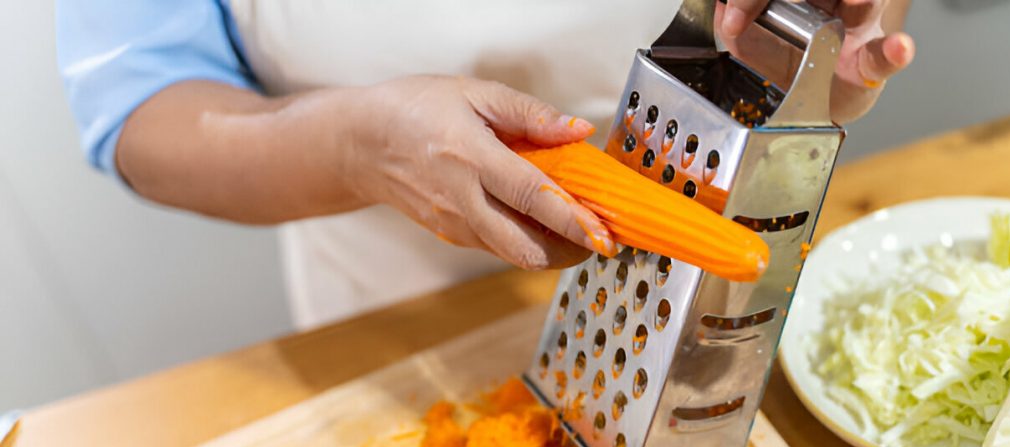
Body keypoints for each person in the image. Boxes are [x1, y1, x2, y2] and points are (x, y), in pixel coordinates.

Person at [56, 0, 914, 329]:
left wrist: (813, 43)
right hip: (401, 309)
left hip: (706, 291)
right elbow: (142, 108)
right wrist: (357, 147)